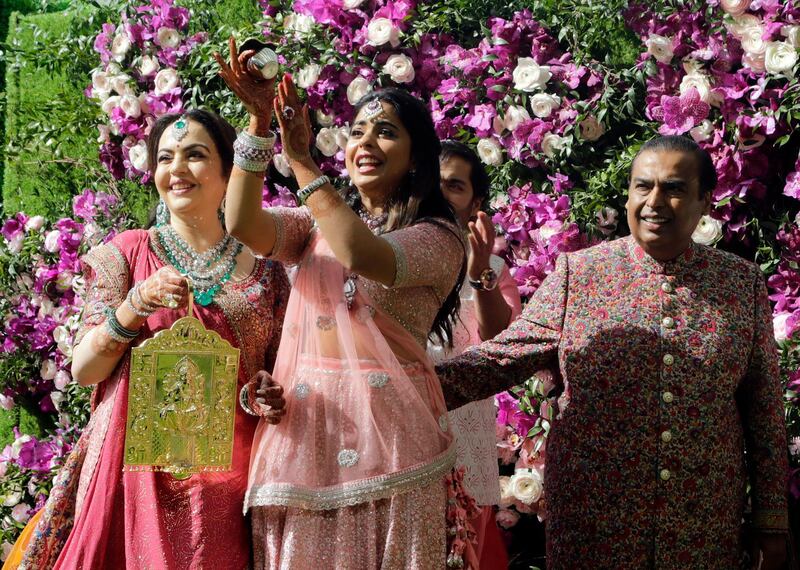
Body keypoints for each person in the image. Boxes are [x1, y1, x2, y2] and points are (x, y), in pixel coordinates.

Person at [435, 135, 790, 569]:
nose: (655, 201)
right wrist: (403, 384)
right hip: (593, 522)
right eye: (643, 186)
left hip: (700, 525)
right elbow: (501, 358)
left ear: (705, 201)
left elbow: (764, 411)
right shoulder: (580, 274)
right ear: (627, 197)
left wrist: (771, 522)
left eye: (674, 188)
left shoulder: (740, 284)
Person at [215, 39, 466, 568]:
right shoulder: (312, 230)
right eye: (358, 132)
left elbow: (361, 252)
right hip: (306, 436)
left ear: (418, 155)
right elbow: (240, 222)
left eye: (386, 132)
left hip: (393, 445)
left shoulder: (438, 237)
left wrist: (303, 164)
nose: (366, 142)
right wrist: (260, 124)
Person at [16, 110, 289, 569]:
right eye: (166, 158)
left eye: (195, 155)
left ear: (228, 175)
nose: (177, 169)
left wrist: (268, 392)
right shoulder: (126, 253)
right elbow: (84, 369)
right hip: (135, 479)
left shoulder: (266, 274)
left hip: (232, 483)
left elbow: (280, 374)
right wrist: (136, 303)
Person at [432, 140, 522, 568]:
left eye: (455, 185)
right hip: (398, 423)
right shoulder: (388, 254)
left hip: (463, 432)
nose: (442, 193)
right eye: (435, 183)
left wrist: (480, 272)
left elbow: (500, 340)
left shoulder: (495, 270)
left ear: (476, 202)